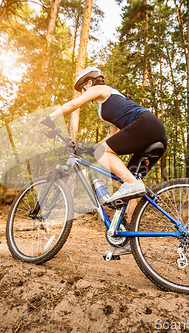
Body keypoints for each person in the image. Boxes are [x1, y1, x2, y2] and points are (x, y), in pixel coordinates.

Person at [41, 67, 167, 254]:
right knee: (129, 185)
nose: (85, 93)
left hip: (145, 125)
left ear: (89, 83)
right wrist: (90, 149)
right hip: (155, 132)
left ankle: (131, 184)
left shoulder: (100, 89)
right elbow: (111, 138)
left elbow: (74, 105)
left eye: (83, 89)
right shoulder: (110, 107)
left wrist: (50, 118)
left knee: (129, 182)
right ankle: (127, 238)